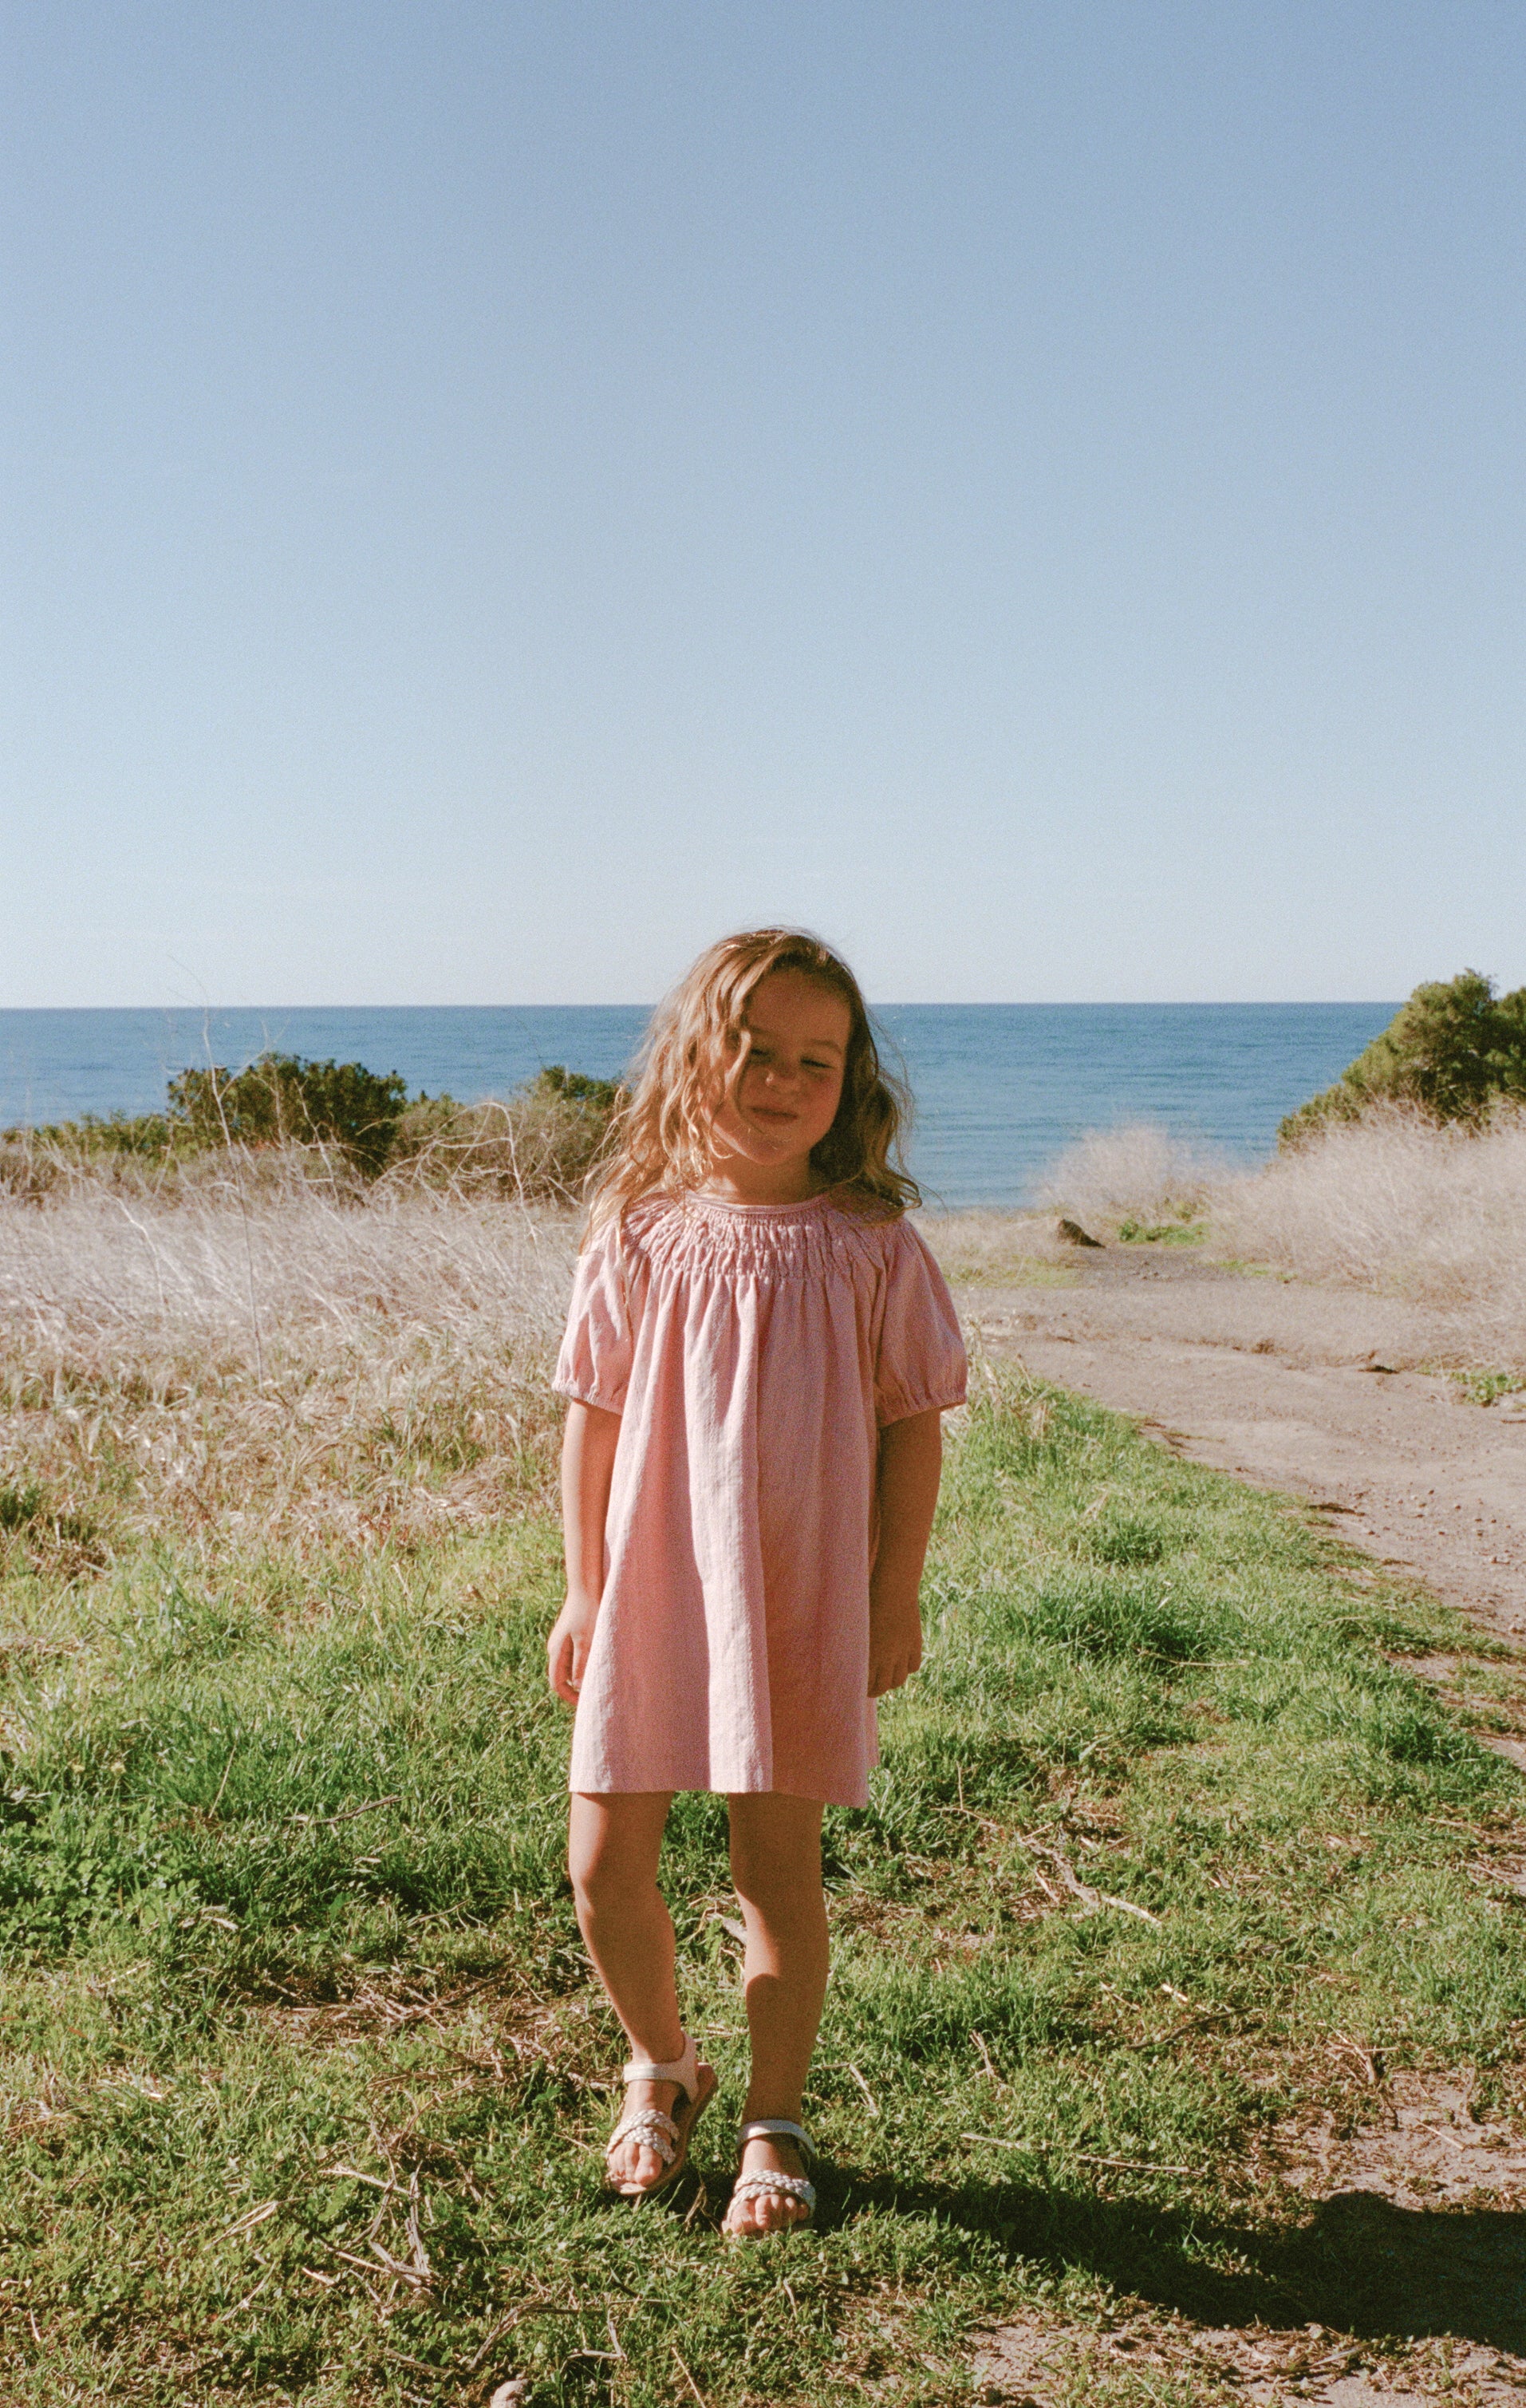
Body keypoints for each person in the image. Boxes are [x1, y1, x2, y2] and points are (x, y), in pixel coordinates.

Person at [548, 929, 967, 2238]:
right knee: (603, 1860)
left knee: (773, 1867)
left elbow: (914, 1422)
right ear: (692, 1058)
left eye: (816, 1059)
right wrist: (580, 1587)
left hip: (794, 1594)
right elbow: (591, 1415)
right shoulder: (640, 1229)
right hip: (652, 1593)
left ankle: (771, 2119)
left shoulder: (871, 1245)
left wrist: (891, 1593)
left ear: (850, 1083)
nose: (784, 1080)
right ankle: (659, 2062)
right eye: (756, 1051)